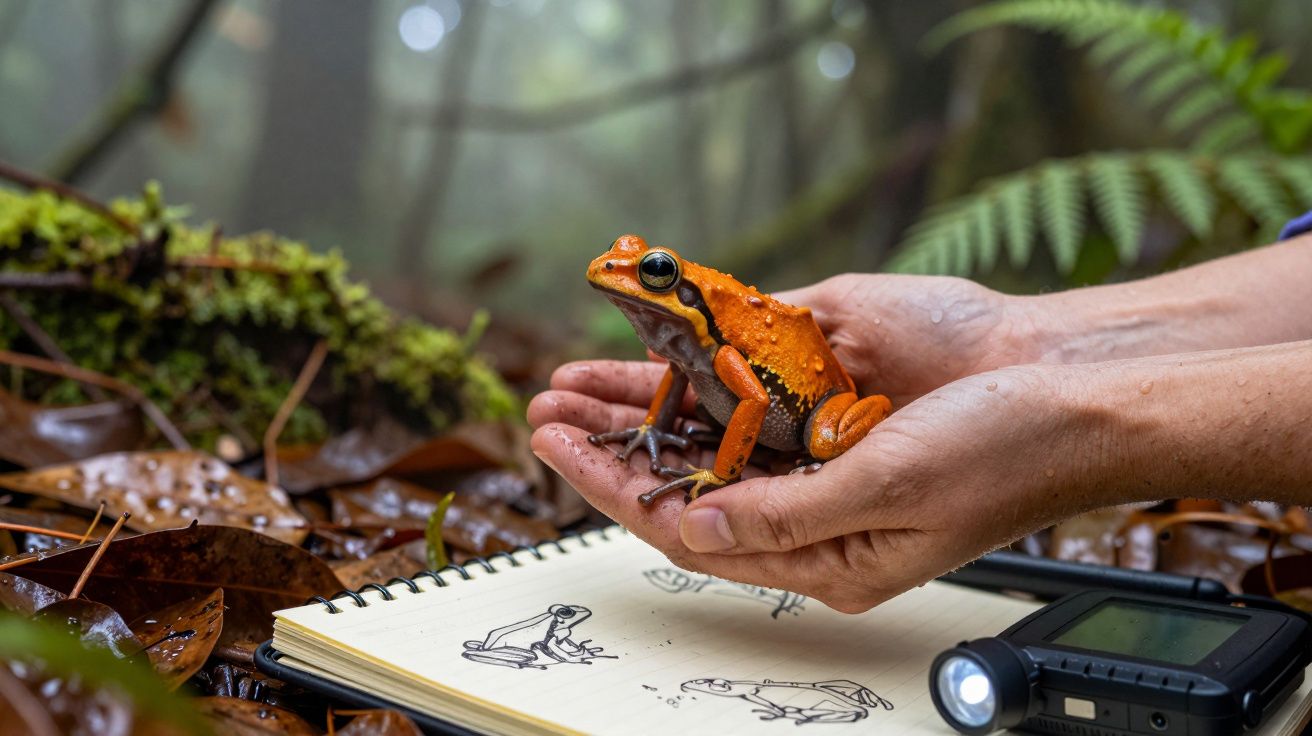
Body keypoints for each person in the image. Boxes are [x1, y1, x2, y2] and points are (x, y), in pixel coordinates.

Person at [527, 227, 1312, 614]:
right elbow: (685, 374)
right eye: (631, 264)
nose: (627, 276)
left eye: (656, 273)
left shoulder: (723, 354)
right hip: (755, 387)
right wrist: (657, 427)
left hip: (809, 416)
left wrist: (720, 474)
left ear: (684, 292)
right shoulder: (694, 356)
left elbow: (760, 402)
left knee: (825, 437)